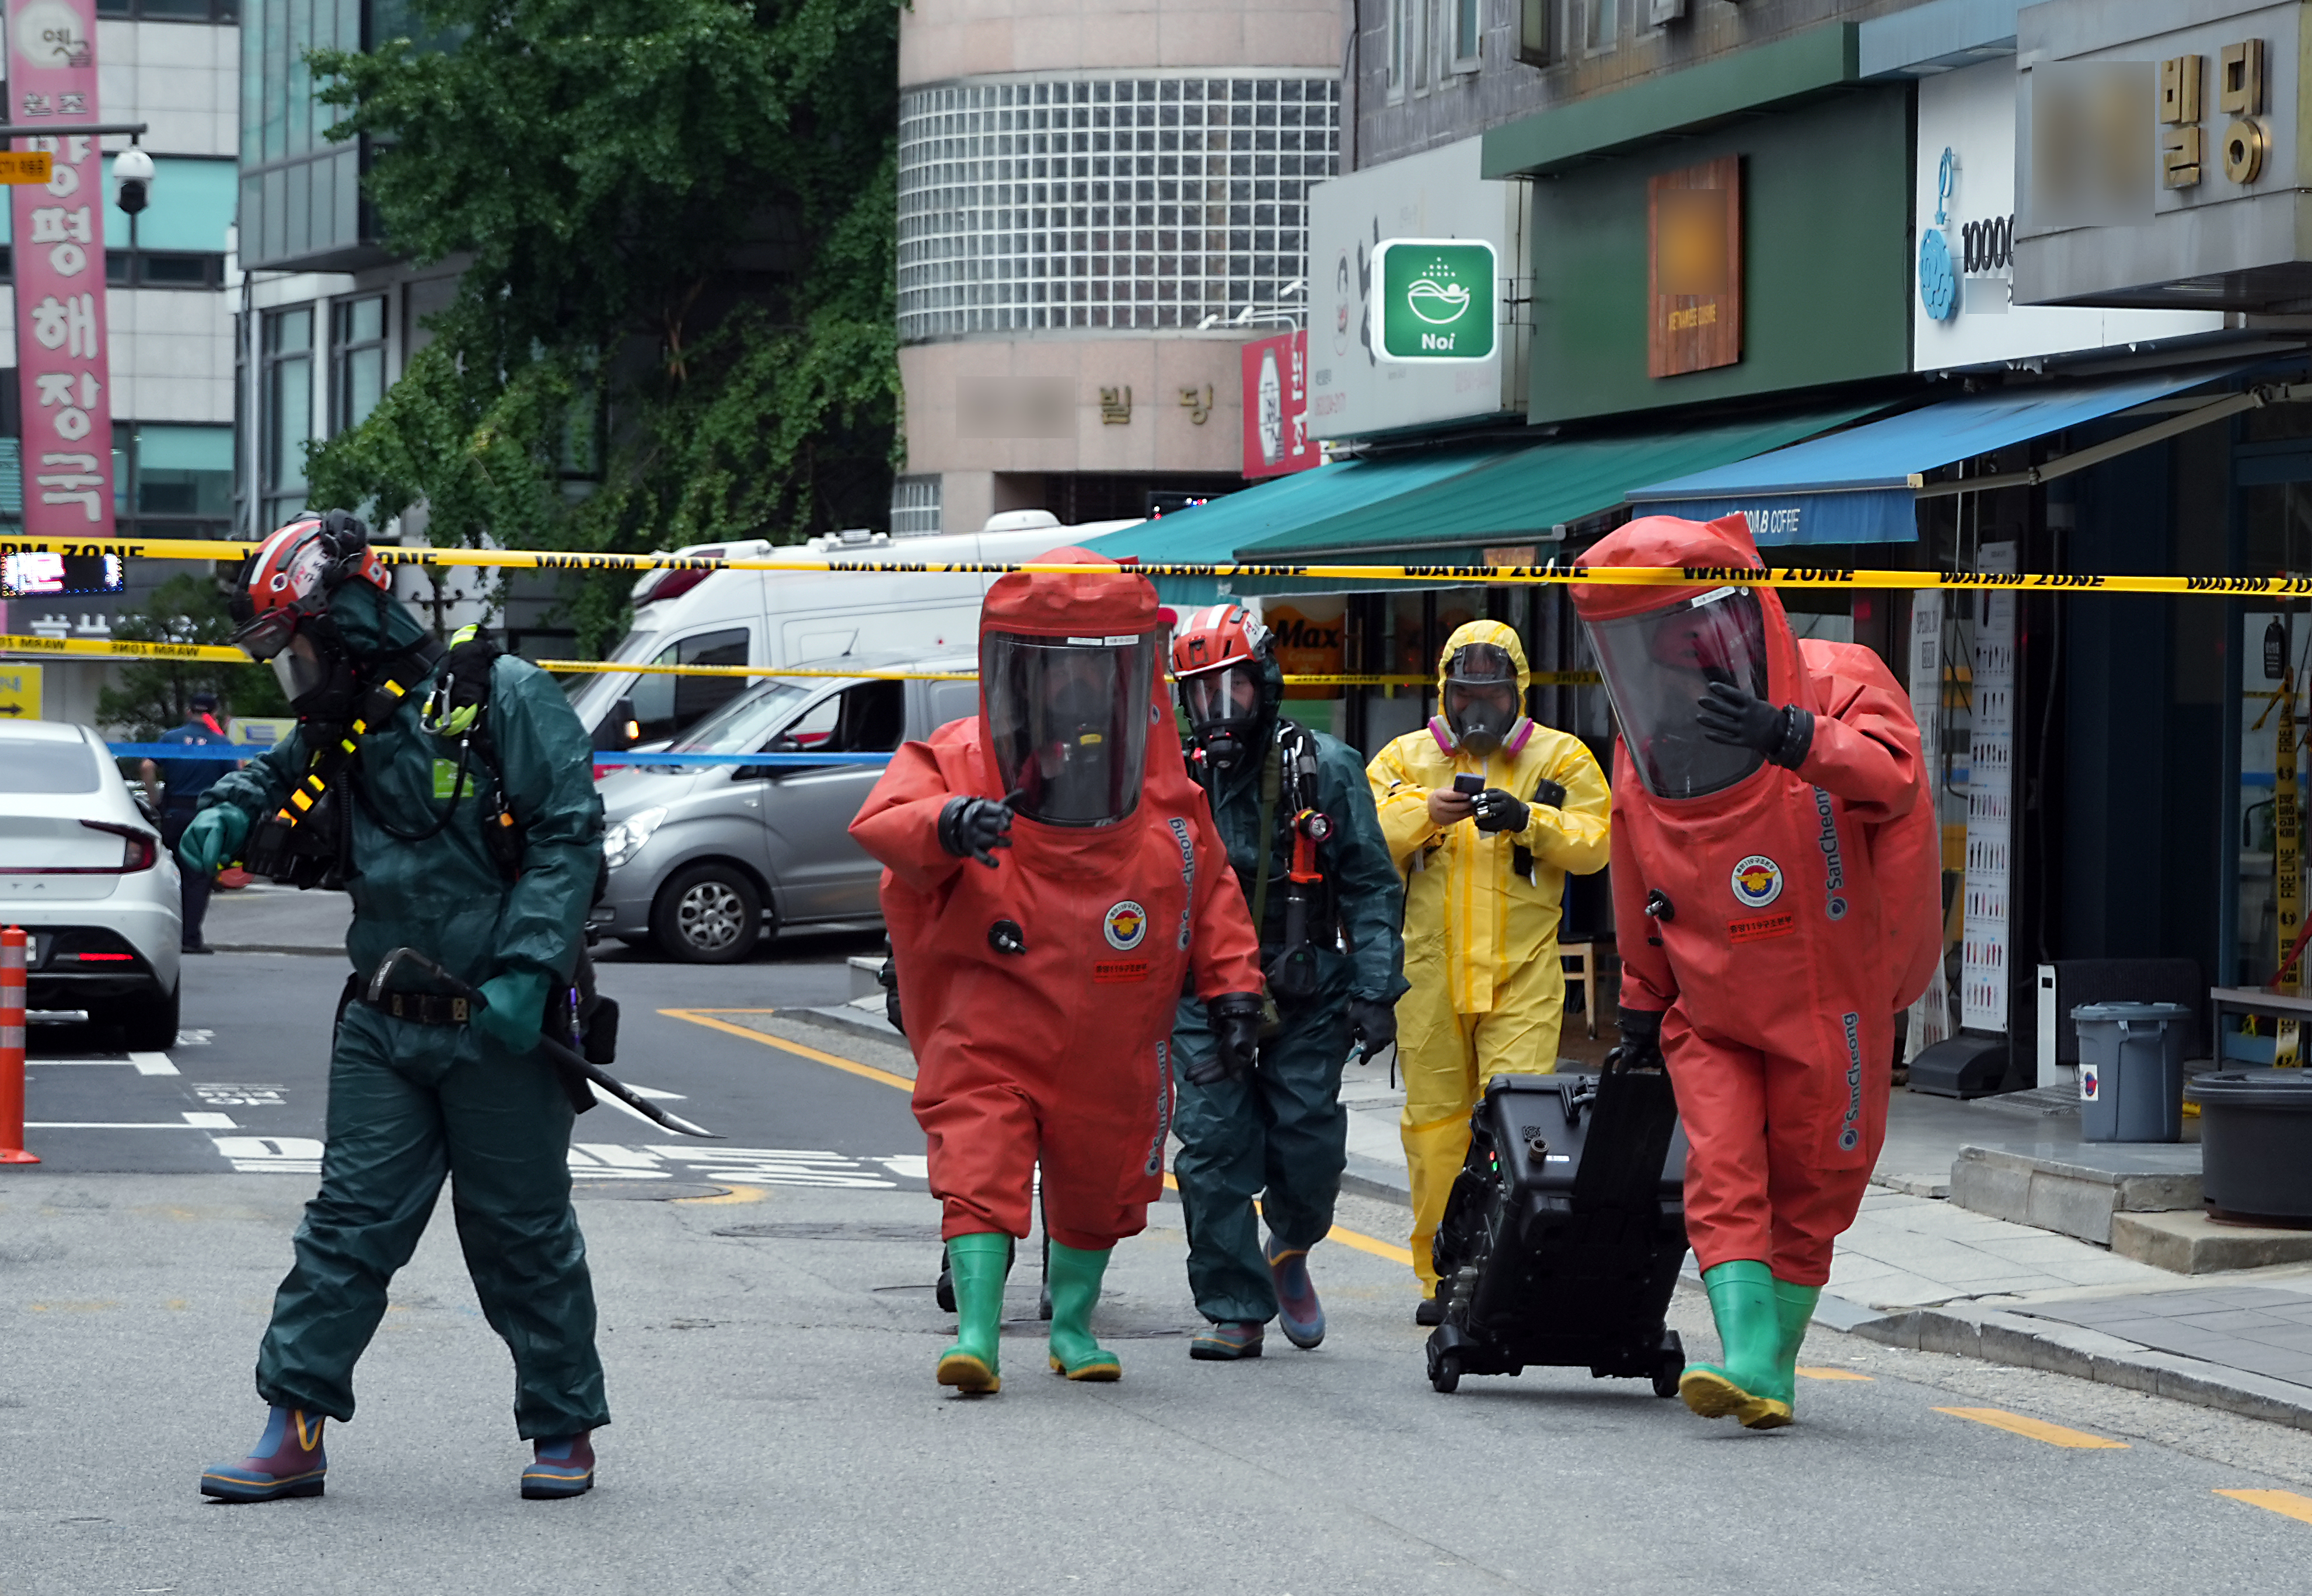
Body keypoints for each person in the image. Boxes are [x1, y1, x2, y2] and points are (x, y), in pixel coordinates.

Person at [183, 511, 610, 1501]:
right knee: (345, 1227)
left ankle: (563, 1425)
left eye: (296, 649)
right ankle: (293, 1428)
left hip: (499, 1024)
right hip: (383, 1019)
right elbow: (276, 769)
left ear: (345, 620)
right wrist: (229, 807)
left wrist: (530, 969)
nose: (295, 675)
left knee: (521, 1234)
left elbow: (567, 837)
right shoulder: (346, 723)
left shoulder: (504, 696)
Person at [851, 549, 1263, 1394]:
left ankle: (1073, 1324)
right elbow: (886, 821)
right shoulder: (962, 756)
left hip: (1113, 1031)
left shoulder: (1164, 792)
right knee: (978, 1156)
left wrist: (1234, 992)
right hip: (991, 1017)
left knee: (1100, 1173)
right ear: (1014, 669)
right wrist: (949, 823)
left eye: (1096, 670)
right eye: (1054, 669)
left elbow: (1211, 889)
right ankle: (975, 1331)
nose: (1074, 692)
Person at [1570, 513, 1939, 1430]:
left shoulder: (1840, 678)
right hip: (1711, 997)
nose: (1674, 654)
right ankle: (1747, 1361)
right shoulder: (1647, 739)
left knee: (1813, 1182)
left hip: (1828, 998)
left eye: (1682, 628)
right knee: (1723, 1171)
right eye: (1650, 639)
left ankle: (1765, 1363)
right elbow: (1636, 868)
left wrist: (1791, 734)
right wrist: (1640, 1000)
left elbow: (1892, 779)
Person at [1165, 604, 1405, 1360]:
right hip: (1203, 992)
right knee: (1211, 1144)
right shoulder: (1173, 780)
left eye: (1230, 689)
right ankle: (1234, 1306)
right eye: (1200, 695)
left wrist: (1374, 987)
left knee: (1306, 1149)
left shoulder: (1324, 769)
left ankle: (1291, 1244)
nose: (1217, 712)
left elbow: (1370, 885)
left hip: (1306, 988)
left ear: (1263, 683)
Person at [1367, 620, 1611, 1321]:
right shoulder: (1406, 760)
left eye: (1493, 696)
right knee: (1435, 1127)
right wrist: (1425, 815)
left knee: (1515, 1125)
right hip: (1430, 979)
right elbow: (1363, 829)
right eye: (1466, 695)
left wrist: (1527, 819)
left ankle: (1502, 1268)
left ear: (1517, 693)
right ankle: (1438, 1275)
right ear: (1444, 692)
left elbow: (1596, 841)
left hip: (1522, 977)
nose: (1478, 711)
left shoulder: (1558, 760)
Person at [142, 690, 235, 953]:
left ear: (188, 712)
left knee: (171, 875)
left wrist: (155, 800)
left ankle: (164, 936)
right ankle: (190, 938)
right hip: (205, 817)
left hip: (173, 813)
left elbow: (147, 766)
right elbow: (234, 778)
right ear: (214, 714)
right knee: (198, 879)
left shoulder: (171, 738)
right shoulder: (221, 743)